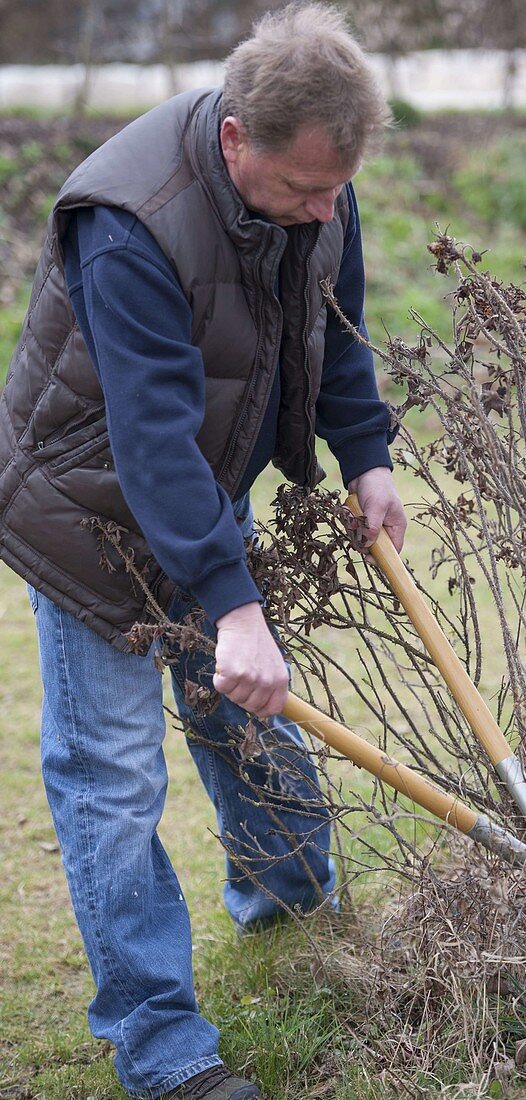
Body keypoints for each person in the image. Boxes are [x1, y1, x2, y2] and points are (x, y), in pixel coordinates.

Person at [0, 5, 407, 1098]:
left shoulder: (315, 175)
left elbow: (335, 321)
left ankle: (294, 920)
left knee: (246, 703)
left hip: (192, 487)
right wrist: (233, 604)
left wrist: (365, 452)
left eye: (337, 190)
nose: (326, 211)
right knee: (112, 777)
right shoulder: (129, 219)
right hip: (85, 510)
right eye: (307, 192)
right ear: (237, 141)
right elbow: (151, 434)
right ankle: (162, 1046)